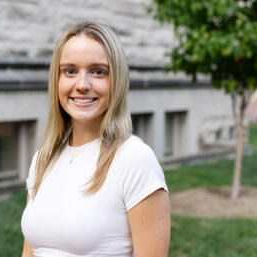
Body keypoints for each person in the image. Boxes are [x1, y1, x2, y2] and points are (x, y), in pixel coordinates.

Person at [21, 21, 170, 257]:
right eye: (70, 71)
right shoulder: (43, 158)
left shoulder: (135, 159)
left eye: (98, 71)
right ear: (56, 80)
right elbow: (31, 251)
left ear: (117, 81)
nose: (82, 85)